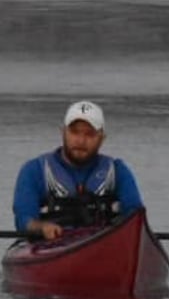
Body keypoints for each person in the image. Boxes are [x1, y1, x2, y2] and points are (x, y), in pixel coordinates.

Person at [13, 100, 145, 241]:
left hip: (105, 243)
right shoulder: (34, 170)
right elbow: (24, 219)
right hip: (51, 245)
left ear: (102, 138)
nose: (81, 140)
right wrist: (42, 227)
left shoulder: (118, 171)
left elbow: (135, 212)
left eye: (89, 134)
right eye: (74, 132)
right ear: (63, 132)